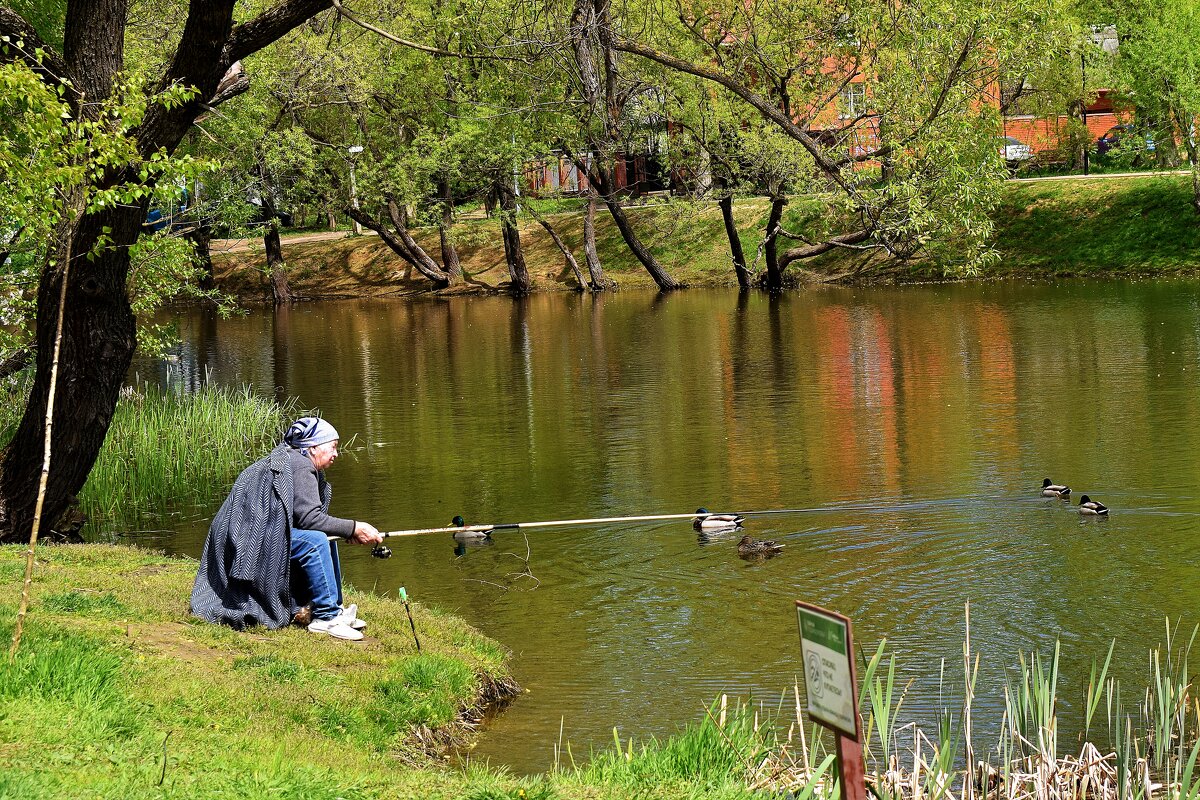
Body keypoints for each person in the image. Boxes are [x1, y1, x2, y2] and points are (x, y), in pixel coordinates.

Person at [190, 416, 384, 640]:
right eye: (333, 447)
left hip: (256, 532)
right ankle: (327, 618)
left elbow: (302, 520)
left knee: (326, 537)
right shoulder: (301, 466)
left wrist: (345, 531)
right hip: (250, 538)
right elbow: (310, 519)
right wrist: (353, 528)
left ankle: (335, 608)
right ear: (313, 447)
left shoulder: (293, 460)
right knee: (316, 541)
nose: (336, 454)